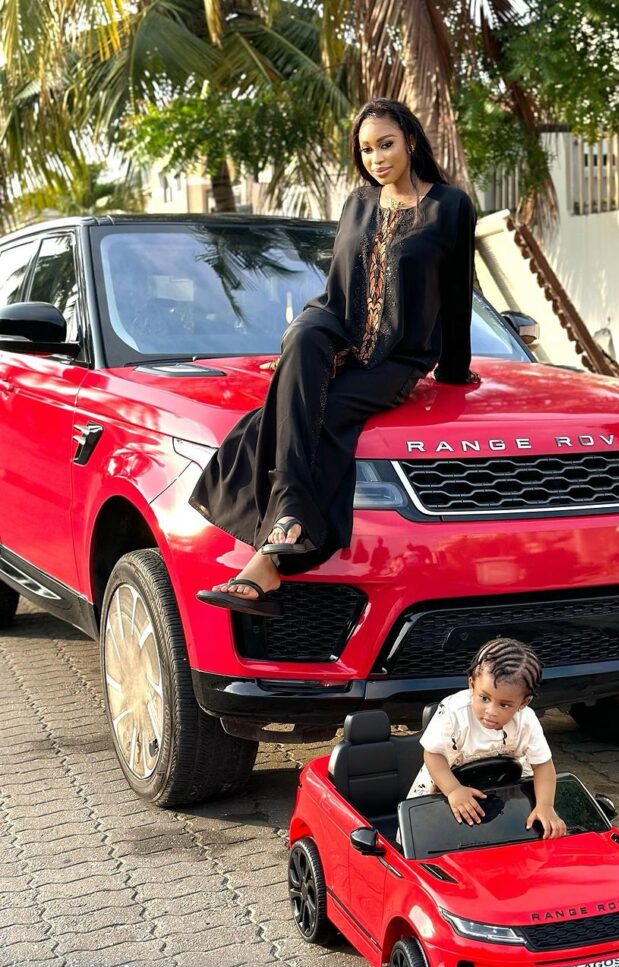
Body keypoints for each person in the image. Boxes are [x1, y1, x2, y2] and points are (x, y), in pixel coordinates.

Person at [191, 98, 479, 614]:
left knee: (287, 417)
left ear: (410, 141)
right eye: (366, 149)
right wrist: (307, 347)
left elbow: (458, 296)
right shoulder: (358, 203)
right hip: (334, 332)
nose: (376, 158)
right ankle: (287, 526)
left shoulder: (450, 206)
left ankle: (269, 558)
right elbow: (337, 285)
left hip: (395, 359)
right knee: (302, 336)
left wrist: (456, 372)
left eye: (386, 144)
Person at [406, 637, 567, 839]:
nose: (491, 711)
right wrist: (453, 790)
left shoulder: (526, 721)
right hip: (445, 781)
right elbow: (432, 755)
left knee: (516, 826)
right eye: (484, 698)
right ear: (472, 685)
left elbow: (543, 765)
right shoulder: (453, 712)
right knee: (426, 828)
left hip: (503, 784)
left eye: (505, 705)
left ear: (524, 702)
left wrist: (545, 805)